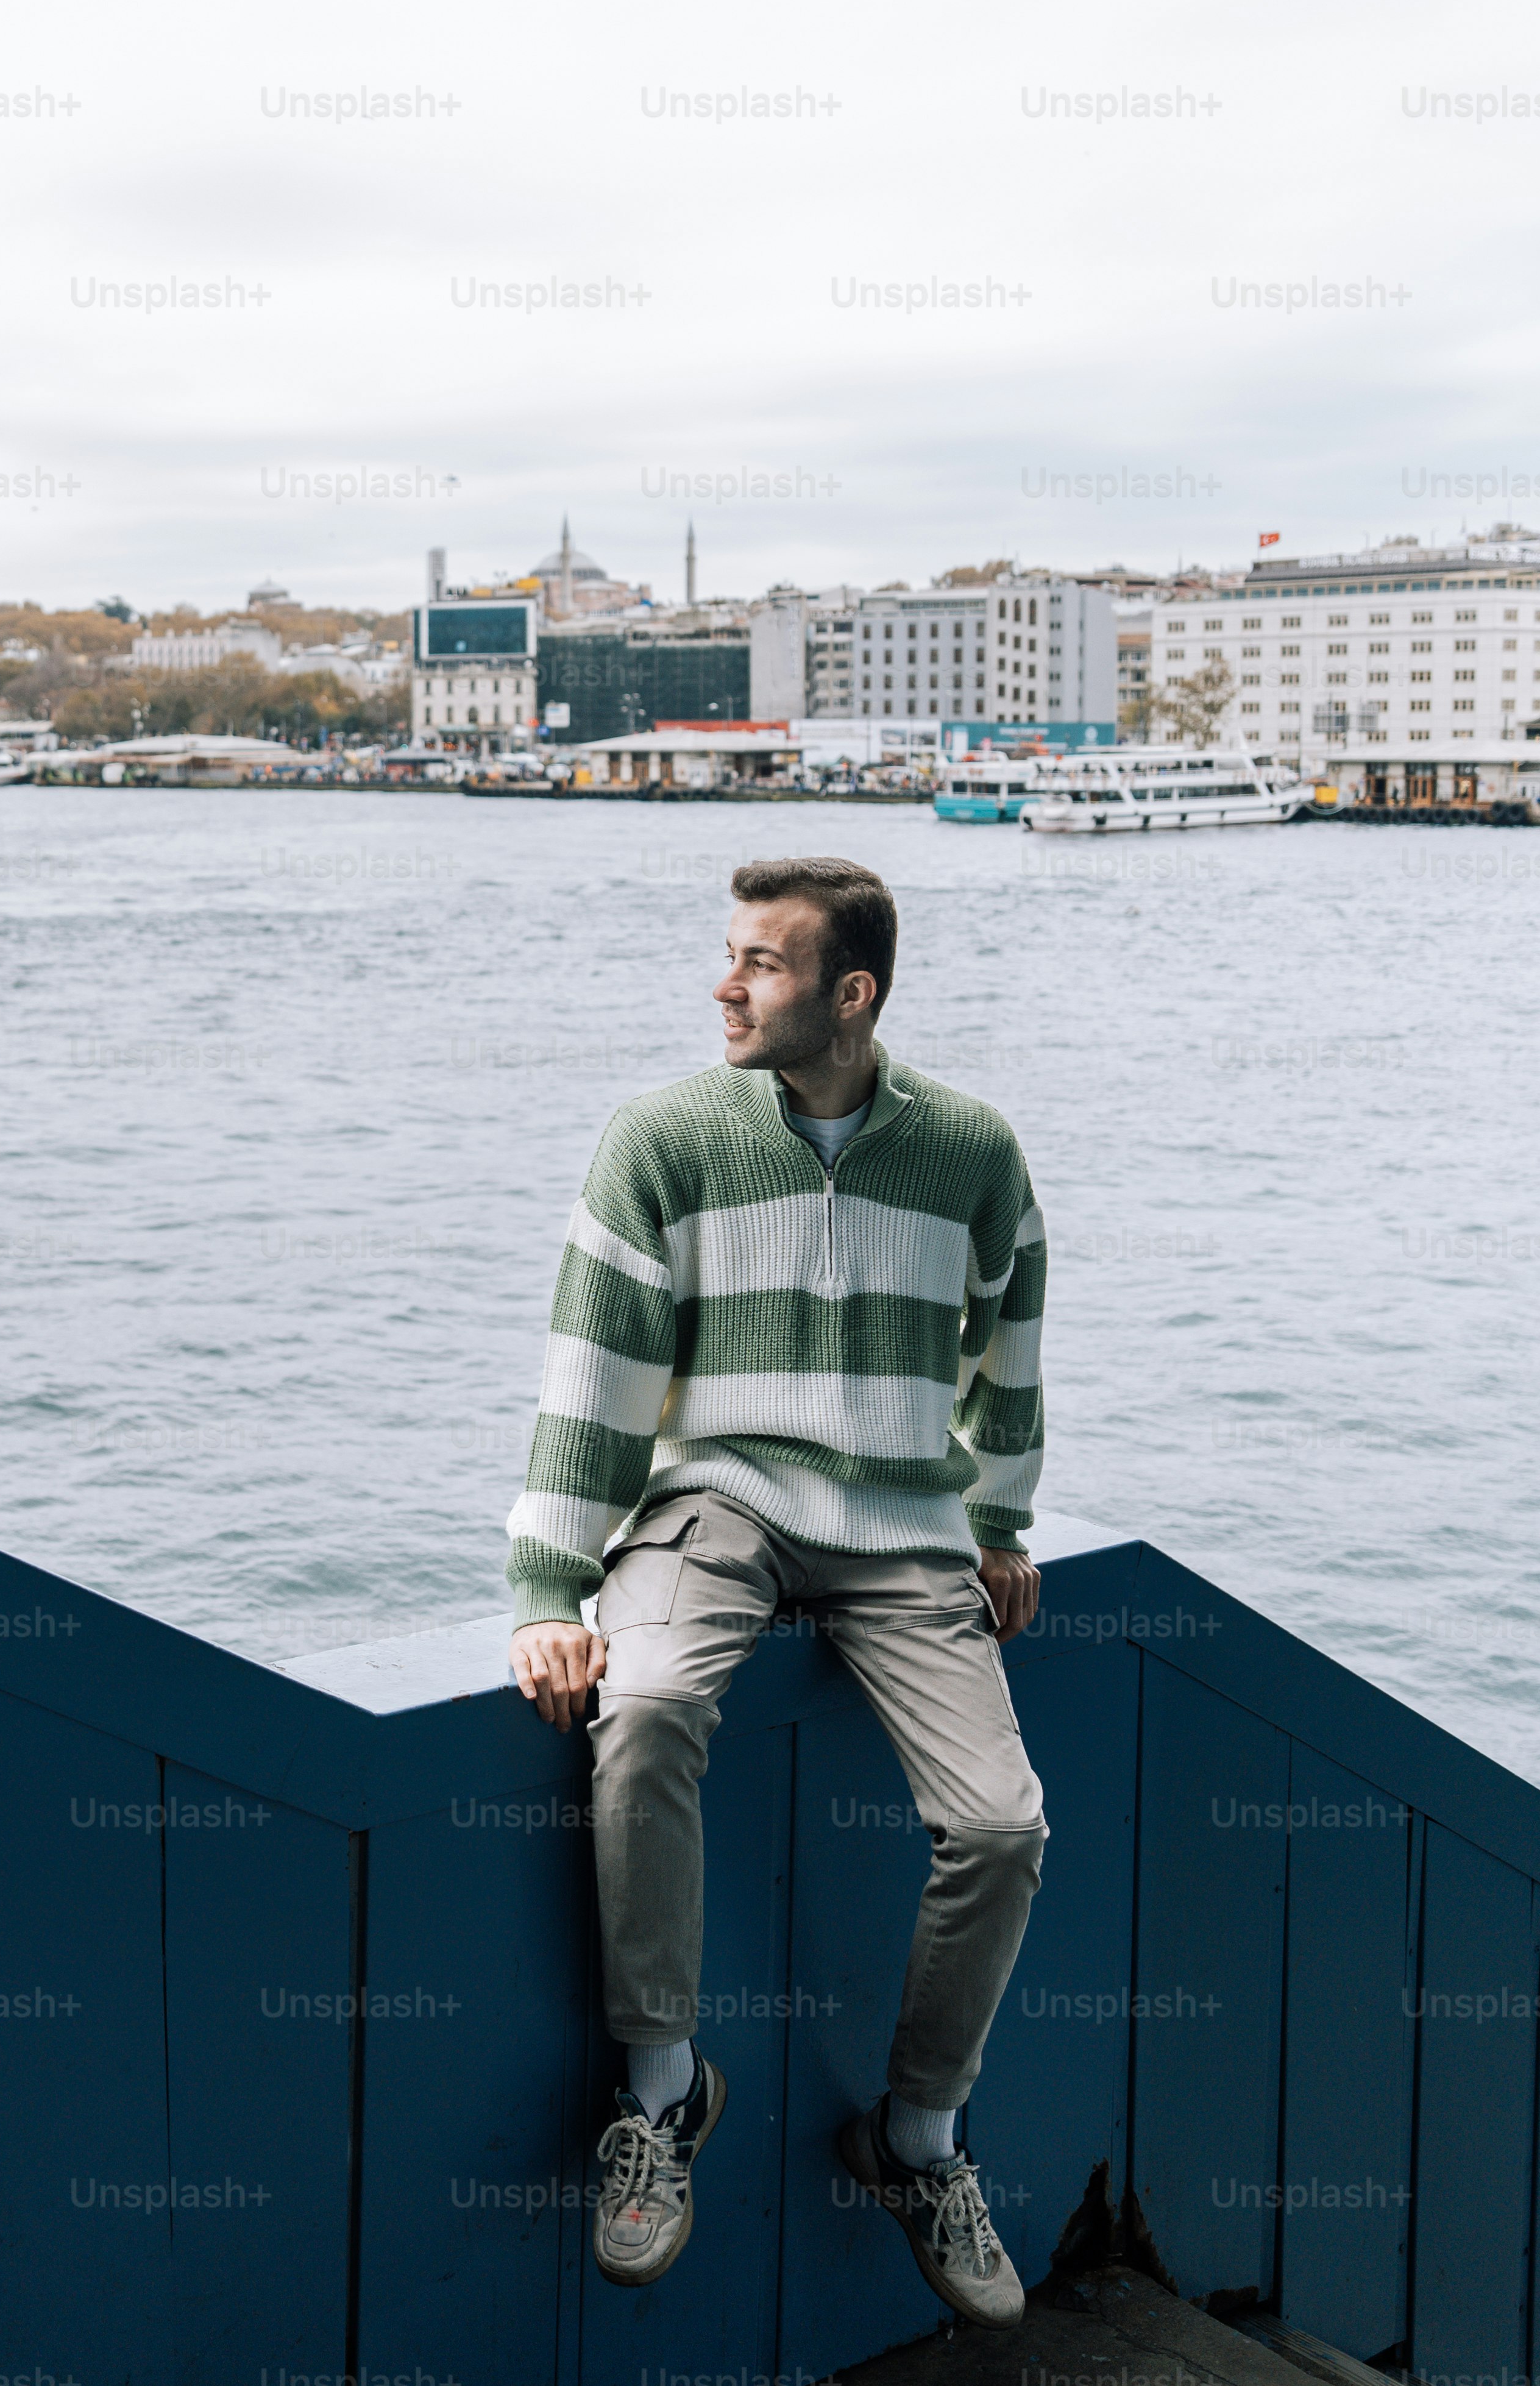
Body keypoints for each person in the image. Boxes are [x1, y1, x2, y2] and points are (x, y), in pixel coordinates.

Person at [503, 856, 1048, 2327]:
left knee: (1000, 1824)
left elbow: (1010, 1343)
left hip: (903, 1527)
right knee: (650, 1704)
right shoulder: (661, 1140)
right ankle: (665, 2090)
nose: (724, 984)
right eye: (726, 955)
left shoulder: (972, 1150)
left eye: (761, 964)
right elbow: (592, 1382)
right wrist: (552, 1582)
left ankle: (917, 2137)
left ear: (848, 994)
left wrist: (998, 1518)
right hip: (712, 1498)